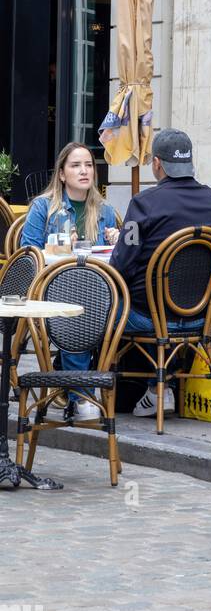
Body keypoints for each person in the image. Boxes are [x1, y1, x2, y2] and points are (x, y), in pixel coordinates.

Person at [110, 128, 211, 417]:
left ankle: (88, 397)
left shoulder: (143, 203)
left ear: (157, 164)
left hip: (146, 318)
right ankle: (159, 385)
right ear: (190, 163)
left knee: (97, 306)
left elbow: (120, 265)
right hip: (199, 317)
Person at [21, 144, 120, 423]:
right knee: (77, 307)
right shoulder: (44, 207)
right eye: (76, 165)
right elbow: (28, 252)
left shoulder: (105, 210)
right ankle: (83, 396)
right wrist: (59, 248)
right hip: (50, 290)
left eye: (88, 165)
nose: (84, 170)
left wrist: (115, 241)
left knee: (101, 305)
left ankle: (77, 391)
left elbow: (110, 262)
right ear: (62, 174)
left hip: (95, 291)